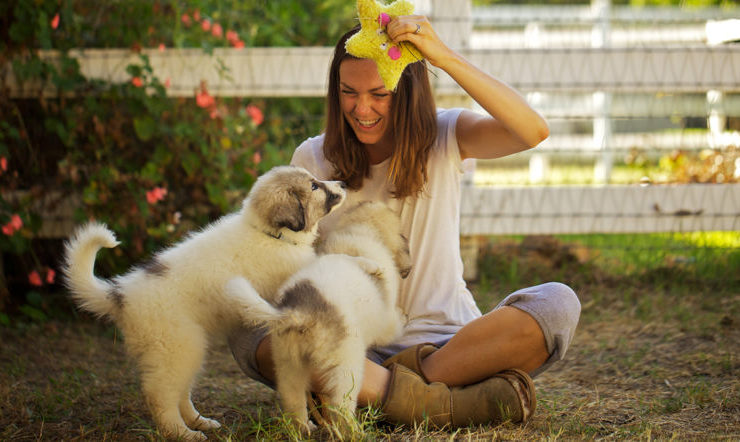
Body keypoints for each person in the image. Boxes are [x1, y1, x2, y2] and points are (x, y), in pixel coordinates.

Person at [230, 15, 581, 428]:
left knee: (557, 304)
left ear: (408, 92)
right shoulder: (312, 159)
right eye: (349, 93)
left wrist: (443, 57)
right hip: (349, 345)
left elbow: (532, 130)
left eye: (380, 94)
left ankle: (376, 394)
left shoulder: (445, 134)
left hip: (452, 346)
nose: (362, 109)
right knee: (245, 325)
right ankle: (434, 405)